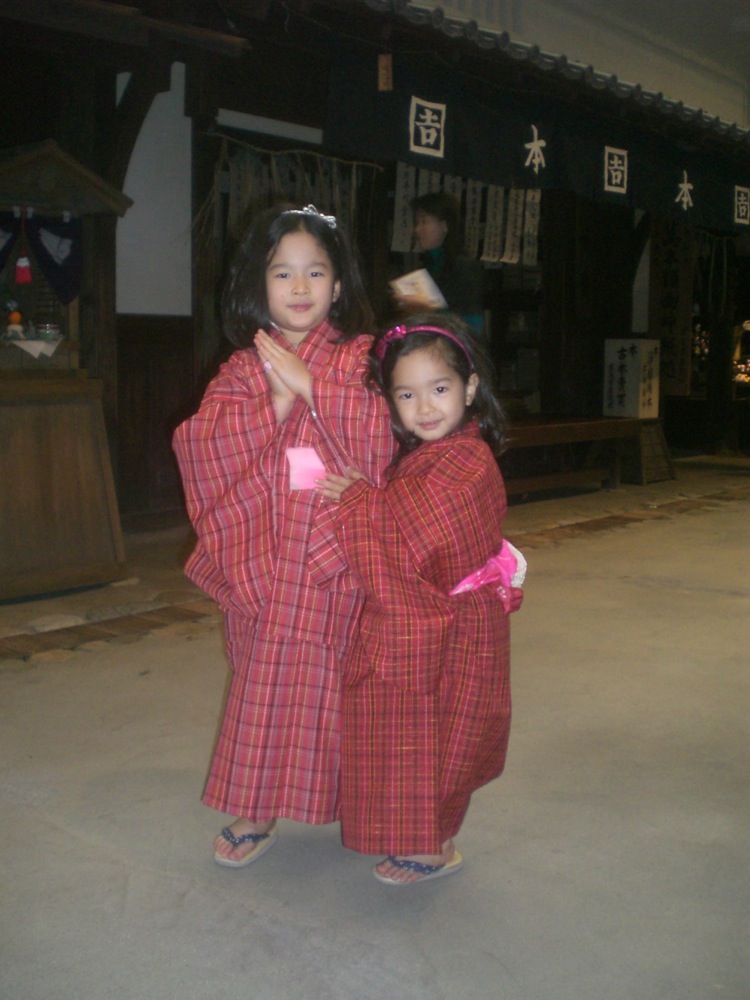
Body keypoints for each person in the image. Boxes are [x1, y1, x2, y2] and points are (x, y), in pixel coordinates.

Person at [172, 204, 395, 867]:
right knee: (261, 685)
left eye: (315, 273)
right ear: (258, 285)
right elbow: (200, 444)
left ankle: (381, 810)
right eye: (283, 273)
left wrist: (311, 384)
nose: (300, 289)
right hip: (265, 559)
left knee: (347, 692)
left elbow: (385, 434)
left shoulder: (360, 358)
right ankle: (260, 807)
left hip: (333, 561)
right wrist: (274, 400)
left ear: (338, 285)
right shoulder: (246, 365)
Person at [317, 313, 523, 884]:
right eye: (407, 394)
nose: (425, 407)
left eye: (440, 389)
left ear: (470, 388)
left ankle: (437, 846)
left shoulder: (467, 461)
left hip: (461, 622)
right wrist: (371, 496)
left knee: (450, 732)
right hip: (441, 616)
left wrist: (360, 502)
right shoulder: (436, 454)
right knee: (422, 727)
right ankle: (421, 833)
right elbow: (406, 520)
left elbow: (414, 537)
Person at [392, 191, 485, 339]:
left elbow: (474, 327)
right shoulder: (424, 269)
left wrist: (427, 308)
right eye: (416, 223)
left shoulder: (464, 267)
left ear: (444, 226)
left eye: (424, 221)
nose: (416, 230)